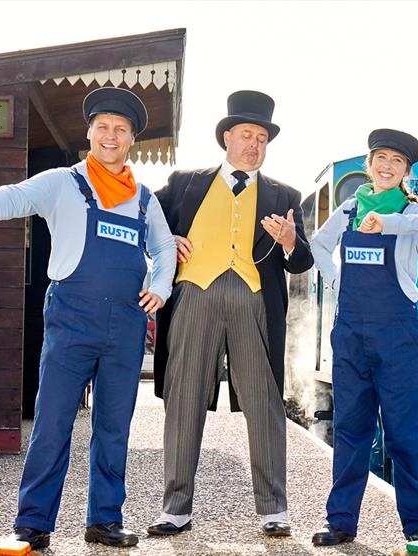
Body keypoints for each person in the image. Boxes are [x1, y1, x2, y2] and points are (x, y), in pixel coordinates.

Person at [0, 87, 176, 550]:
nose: (111, 136)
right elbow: (14, 196)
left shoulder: (144, 199)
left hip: (126, 324)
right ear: (90, 134)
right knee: (53, 422)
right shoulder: (63, 183)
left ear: (130, 141)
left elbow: (164, 247)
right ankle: (33, 523)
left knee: (113, 426)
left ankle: (104, 520)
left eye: (120, 130)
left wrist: (161, 286)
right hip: (72, 319)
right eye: (103, 127)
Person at [148, 90, 313, 538]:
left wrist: (290, 243)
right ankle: (175, 508)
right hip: (194, 297)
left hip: (254, 303)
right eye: (246, 135)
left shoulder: (285, 194)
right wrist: (164, 246)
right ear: (227, 137)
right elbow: (148, 222)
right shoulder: (185, 182)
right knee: (183, 402)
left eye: (262, 137)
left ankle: (274, 509)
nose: (254, 145)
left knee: (264, 405)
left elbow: (302, 262)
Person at [309, 129, 418, 546]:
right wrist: (336, 282)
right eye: (381, 158)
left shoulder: (413, 214)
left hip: (397, 334)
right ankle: (340, 521)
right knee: (352, 428)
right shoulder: (351, 207)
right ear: (369, 165)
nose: (387, 166)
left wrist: (387, 223)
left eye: (396, 162)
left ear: (406, 171)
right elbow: (320, 244)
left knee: (404, 432)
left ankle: (416, 525)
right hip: (352, 332)